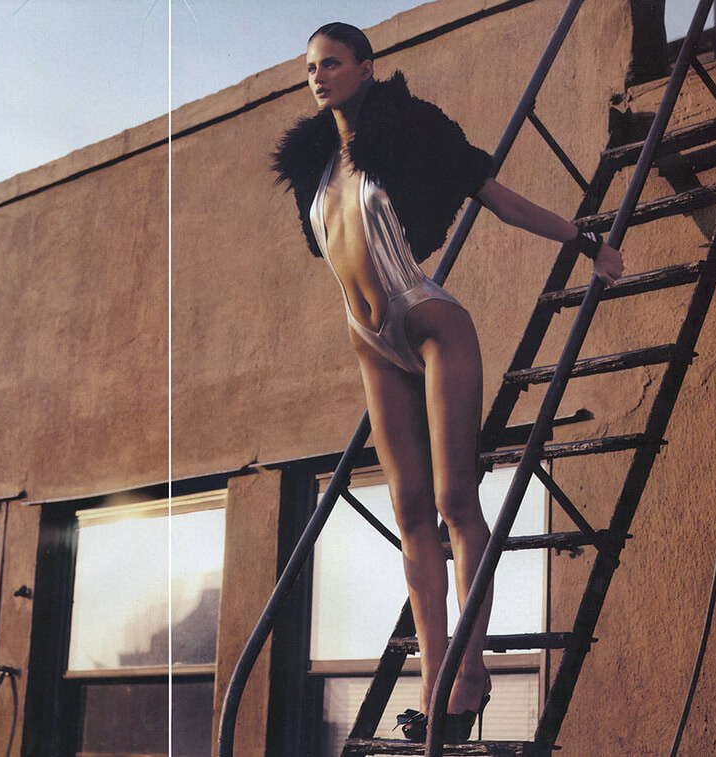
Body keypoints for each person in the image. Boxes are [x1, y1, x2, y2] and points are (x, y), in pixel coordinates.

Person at [272, 23, 623, 743]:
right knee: (409, 515)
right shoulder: (316, 166)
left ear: (367, 67)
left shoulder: (411, 131)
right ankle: (436, 683)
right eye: (310, 68)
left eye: (331, 63)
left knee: (455, 499)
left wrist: (585, 240)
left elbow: (495, 196)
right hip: (370, 343)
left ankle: (471, 671)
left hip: (431, 322)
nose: (318, 76)